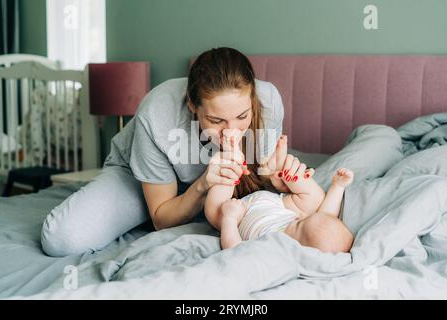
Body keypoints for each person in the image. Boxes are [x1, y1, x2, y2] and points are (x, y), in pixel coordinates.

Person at [41, 47, 297, 257]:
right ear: (192, 104)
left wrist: (276, 181)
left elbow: (260, 180)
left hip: (210, 192)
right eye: (216, 121)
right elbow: (161, 219)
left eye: (241, 116)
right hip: (139, 177)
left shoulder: (268, 102)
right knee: (61, 240)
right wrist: (202, 185)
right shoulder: (157, 113)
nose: (231, 132)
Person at [205, 134, 354, 253]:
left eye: (300, 224)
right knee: (316, 200)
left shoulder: (273, 251)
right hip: (277, 207)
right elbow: (326, 216)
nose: (301, 217)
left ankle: (231, 160)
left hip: (240, 214)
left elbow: (236, 250)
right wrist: (338, 187)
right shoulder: (294, 224)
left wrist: (230, 219)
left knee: (214, 211)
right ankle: (283, 168)